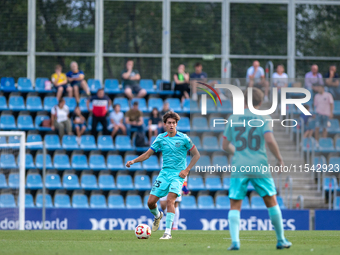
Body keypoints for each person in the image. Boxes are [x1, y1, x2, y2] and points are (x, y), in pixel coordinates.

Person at [222, 88, 291, 250]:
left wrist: (238, 153)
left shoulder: (233, 118)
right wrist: (279, 158)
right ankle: (281, 240)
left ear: (244, 101)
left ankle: (235, 242)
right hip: (259, 165)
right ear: (260, 103)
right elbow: (269, 139)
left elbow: (225, 145)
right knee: (271, 201)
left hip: (239, 166)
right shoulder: (264, 117)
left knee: (235, 204)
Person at [126, 111, 200, 239]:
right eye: (169, 123)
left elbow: (197, 155)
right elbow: (148, 154)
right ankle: (157, 216)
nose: (171, 125)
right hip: (164, 174)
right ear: (165, 124)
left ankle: (167, 232)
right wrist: (133, 161)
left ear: (176, 124)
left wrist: (187, 170)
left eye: (173, 123)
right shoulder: (161, 138)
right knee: (150, 202)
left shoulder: (184, 138)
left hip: (178, 175)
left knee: (171, 200)